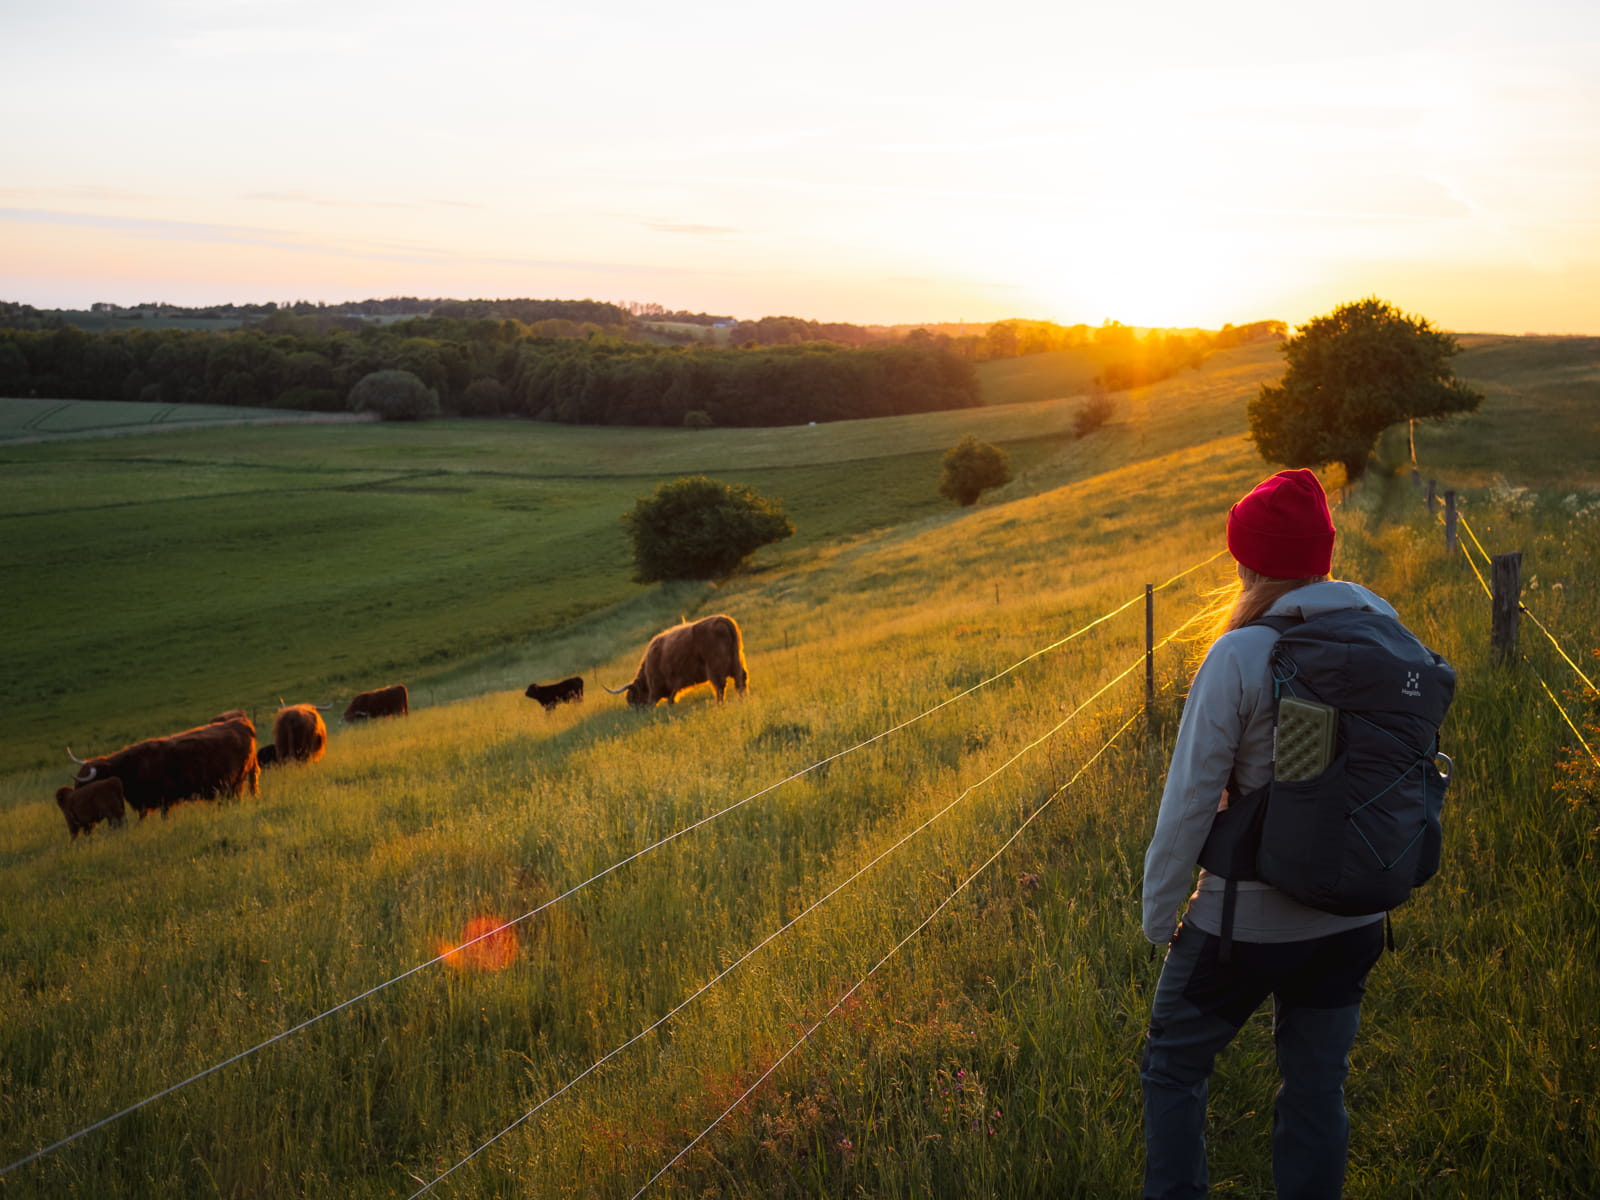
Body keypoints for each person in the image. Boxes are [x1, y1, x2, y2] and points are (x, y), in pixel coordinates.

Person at [1140, 469, 1389, 1200]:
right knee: (1318, 1089)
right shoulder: (1387, 634)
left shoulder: (1242, 655)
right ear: (1323, 555)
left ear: (1246, 562)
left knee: (1174, 1068)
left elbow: (1189, 802)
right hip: (1355, 916)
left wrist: (1162, 919)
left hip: (1239, 928)